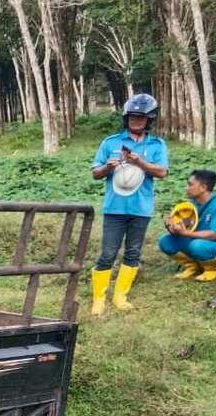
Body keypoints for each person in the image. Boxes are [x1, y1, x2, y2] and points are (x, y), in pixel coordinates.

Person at [88, 93, 169, 315]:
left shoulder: (156, 144)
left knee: (133, 253)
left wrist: (140, 162)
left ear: (149, 120)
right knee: (107, 254)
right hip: (114, 208)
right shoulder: (111, 142)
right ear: (126, 118)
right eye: (133, 117)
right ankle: (98, 299)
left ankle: (120, 296)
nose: (136, 121)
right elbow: (95, 173)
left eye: (141, 118)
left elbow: (162, 172)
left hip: (141, 209)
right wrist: (107, 168)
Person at [158, 170, 216, 286]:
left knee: (197, 245)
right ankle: (192, 266)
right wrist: (172, 227)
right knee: (165, 241)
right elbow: (184, 227)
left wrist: (185, 233)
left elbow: (213, 235)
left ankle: (213, 269)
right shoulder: (190, 204)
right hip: (196, 242)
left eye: (190, 184)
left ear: (203, 187)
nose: (186, 188)